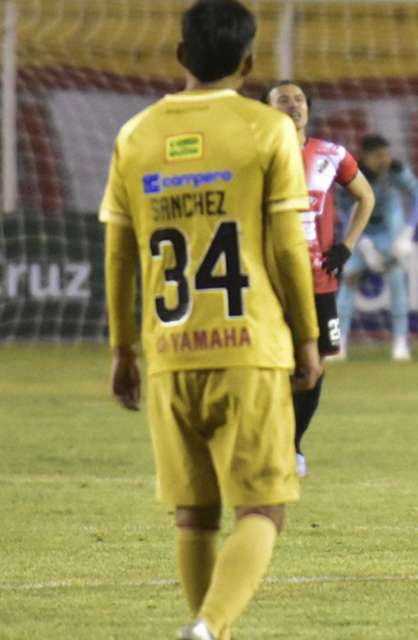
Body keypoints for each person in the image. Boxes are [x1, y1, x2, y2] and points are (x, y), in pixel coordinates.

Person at [99, 2, 322, 639]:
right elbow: (285, 247)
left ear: (179, 55)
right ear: (249, 64)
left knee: (194, 515)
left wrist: (122, 350)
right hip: (249, 347)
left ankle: (207, 631)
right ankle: (208, 628)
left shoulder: (135, 135)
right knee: (265, 507)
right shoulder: (266, 130)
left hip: (169, 355)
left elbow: (118, 255)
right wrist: (307, 337)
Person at [263, 80, 375, 478]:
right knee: (269, 366)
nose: (293, 106)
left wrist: (346, 246)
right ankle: (268, 443)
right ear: (267, 109)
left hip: (317, 280)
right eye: (283, 100)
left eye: (299, 100)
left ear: (309, 109)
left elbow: (367, 197)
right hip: (268, 281)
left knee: (313, 368)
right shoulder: (256, 155)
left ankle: (292, 447)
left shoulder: (331, 154)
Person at [335, 134, 418, 361]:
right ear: (364, 156)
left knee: (396, 280)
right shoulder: (350, 176)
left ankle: (401, 344)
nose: (384, 160)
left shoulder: (395, 170)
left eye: (386, 154)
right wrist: (363, 244)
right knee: (350, 279)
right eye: (378, 156)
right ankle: (338, 343)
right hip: (359, 230)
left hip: (388, 229)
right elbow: (345, 210)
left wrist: (408, 232)